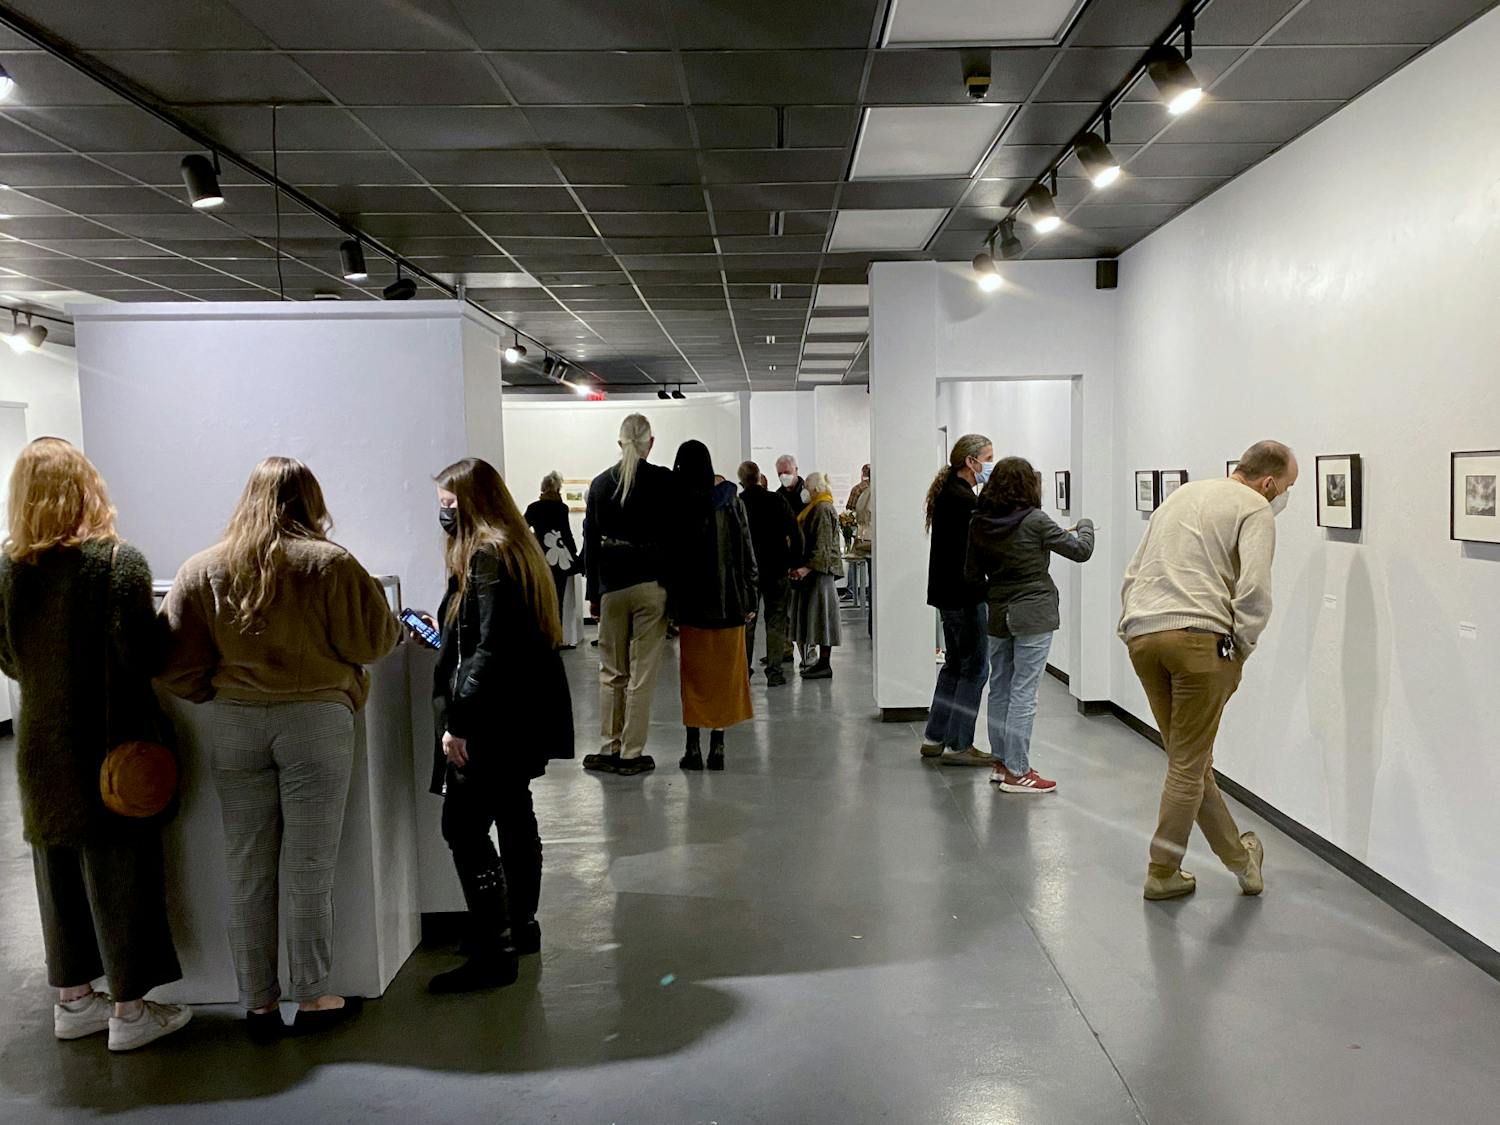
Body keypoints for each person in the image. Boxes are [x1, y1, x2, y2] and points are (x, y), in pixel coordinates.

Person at [160, 457, 400, 1041]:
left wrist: (219, 691)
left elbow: (170, 661)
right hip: (316, 722)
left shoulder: (203, 568)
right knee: (308, 868)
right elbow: (373, 641)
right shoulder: (330, 563)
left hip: (235, 726)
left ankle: (258, 1005)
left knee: (246, 867)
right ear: (310, 500)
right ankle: (313, 995)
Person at [0, 438, 190, 1052]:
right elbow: (141, 654)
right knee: (121, 873)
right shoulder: (117, 563)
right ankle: (131, 1013)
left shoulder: (6, 570)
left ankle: (74, 1002)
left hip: (40, 745)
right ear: (85, 489)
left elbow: (8, 657)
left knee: (55, 871)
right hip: (112, 742)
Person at [1120, 440, 1296, 902]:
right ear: (1269, 482)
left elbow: (1135, 571)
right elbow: (1255, 589)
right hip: (1200, 642)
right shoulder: (1254, 508)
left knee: (1191, 762)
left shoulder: (1182, 495)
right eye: (1286, 488)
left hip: (1144, 636)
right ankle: (1161, 871)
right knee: (1187, 765)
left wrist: (1130, 625)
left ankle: (1241, 862)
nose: (1283, 498)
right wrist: (1240, 648)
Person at [424, 458, 574, 992]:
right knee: (513, 813)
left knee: (463, 827)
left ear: (471, 503)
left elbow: (487, 648)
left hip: (492, 718)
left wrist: (458, 721)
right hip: (521, 714)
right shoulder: (516, 549)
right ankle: (519, 925)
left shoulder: (485, 556)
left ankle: (495, 946)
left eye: (449, 504)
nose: (443, 514)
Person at [966, 456, 1094, 796]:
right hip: (1033, 612)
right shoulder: (1035, 520)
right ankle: (1018, 771)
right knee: (1024, 692)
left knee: (1000, 688)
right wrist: (1085, 524)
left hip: (998, 612)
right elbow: (1081, 551)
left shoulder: (979, 522)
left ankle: (1002, 763)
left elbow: (972, 575)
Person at [583, 414, 674, 776]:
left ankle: (610, 745)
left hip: (612, 585)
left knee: (611, 671)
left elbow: (591, 542)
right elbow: (675, 539)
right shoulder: (663, 481)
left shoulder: (600, 484)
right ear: (651, 443)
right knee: (642, 673)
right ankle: (632, 752)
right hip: (652, 585)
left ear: (620, 443)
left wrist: (593, 593)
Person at [671, 442, 757, 770]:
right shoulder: (730, 500)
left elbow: (671, 559)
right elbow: (745, 549)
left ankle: (692, 747)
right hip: (729, 604)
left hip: (692, 609)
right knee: (723, 678)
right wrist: (750, 597)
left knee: (693, 679)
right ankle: (718, 746)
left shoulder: (678, 503)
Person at [920, 435, 995, 767]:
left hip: (948, 594)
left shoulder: (949, 493)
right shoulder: (963, 500)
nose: (991, 464)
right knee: (975, 668)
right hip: (965, 595)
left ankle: (935, 736)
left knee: (954, 665)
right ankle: (959, 743)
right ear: (970, 461)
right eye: (988, 458)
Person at [737, 461, 802, 687]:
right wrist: (794, 563)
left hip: (748, 572)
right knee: (776, 620)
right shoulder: (777, 500)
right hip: (776, 568)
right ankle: (774, 671)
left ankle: (744, 671)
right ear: (759, 478)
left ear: (741, 482)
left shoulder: (738, 503)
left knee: (748, 621)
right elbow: (795, 532)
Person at [791, 471, 843, 680]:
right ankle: (821, 662)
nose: (804, 491)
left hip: (821, 573)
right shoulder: (817, 507)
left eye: (807, 487)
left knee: (822, 618)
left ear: (815, 489)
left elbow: (822, 545)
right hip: (817, 572)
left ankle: (824, 663)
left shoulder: (822, 508)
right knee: (818, 617)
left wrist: (806, 568)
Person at [523, 471, 580, 618]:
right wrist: (574, 554)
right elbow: (566, 534)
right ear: (558, 488)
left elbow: (522, 530)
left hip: (540, 557)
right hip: (560, 558)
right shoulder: (562, 508)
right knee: (558, 600)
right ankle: (557, 629)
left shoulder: (533, 508)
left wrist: (534, 541)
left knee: (540, 599)